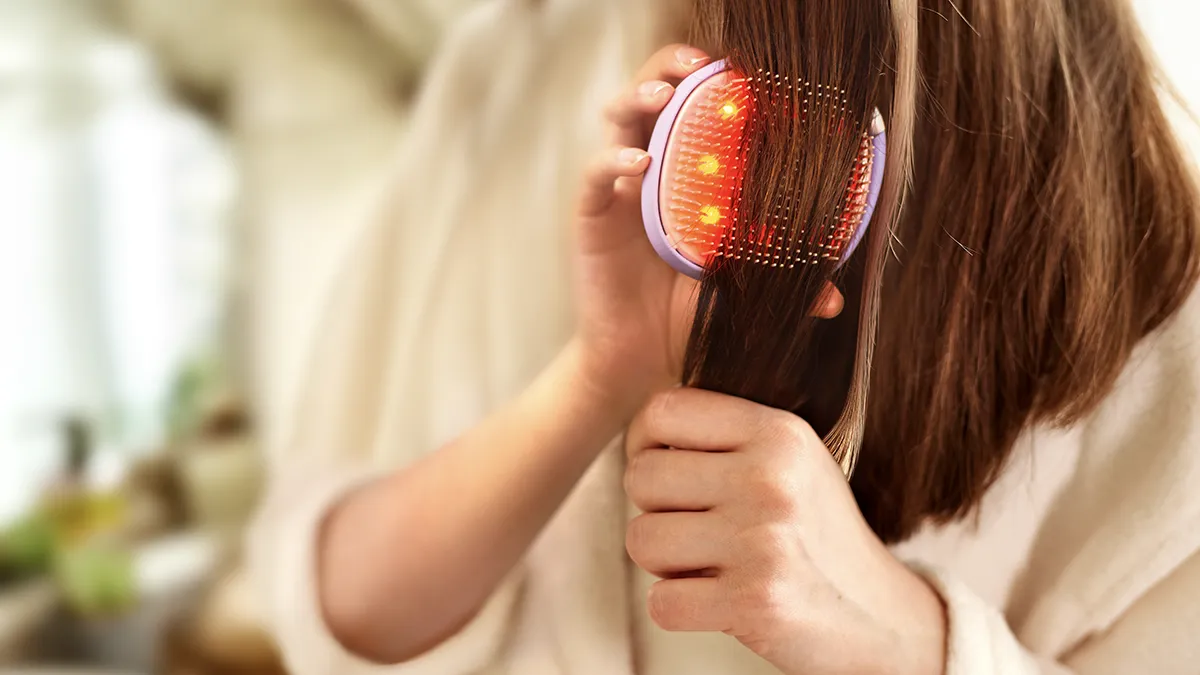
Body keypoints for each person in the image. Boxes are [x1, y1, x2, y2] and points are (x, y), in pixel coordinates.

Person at [247, 1, 1200, 673]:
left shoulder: (1168, 318)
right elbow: (335, 610)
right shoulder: (508, 70)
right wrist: (598, 376)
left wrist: (909, 641)